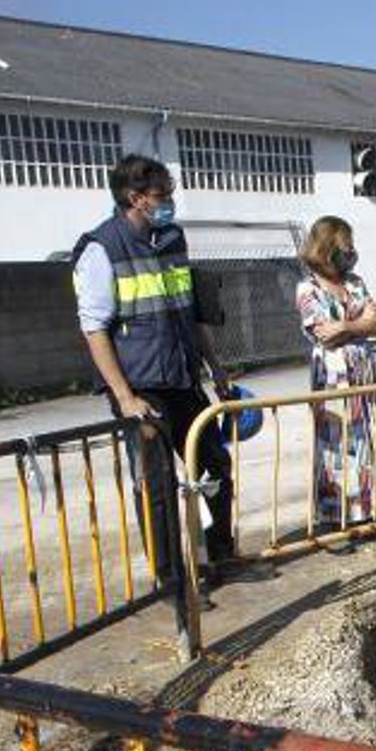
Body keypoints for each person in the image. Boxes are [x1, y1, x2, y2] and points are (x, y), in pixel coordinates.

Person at [74, 153, 237, 581]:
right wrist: (124, 397)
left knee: (213, 464)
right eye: (161, 194)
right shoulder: (101, 247)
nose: (169, 202)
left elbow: (189, 313)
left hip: (183, 375)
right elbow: (95, 330)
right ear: (136, 198)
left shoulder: (172, 239)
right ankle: (172, 578)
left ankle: (218, 554)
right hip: (141, 384)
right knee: (157, 482)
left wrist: (215, 369)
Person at [295, 215, 376, 534]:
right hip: (332, 374)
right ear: (326, 248)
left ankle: (375, 506)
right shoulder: (307, 287)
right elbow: (321, 335)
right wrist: (356, 326)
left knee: (372, 435)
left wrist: (345, 326)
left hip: (363, 370)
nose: (351, 253)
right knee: (337, 442)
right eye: (345, 247)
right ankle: (338, 514)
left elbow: (374, 324)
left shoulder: (355, 282)